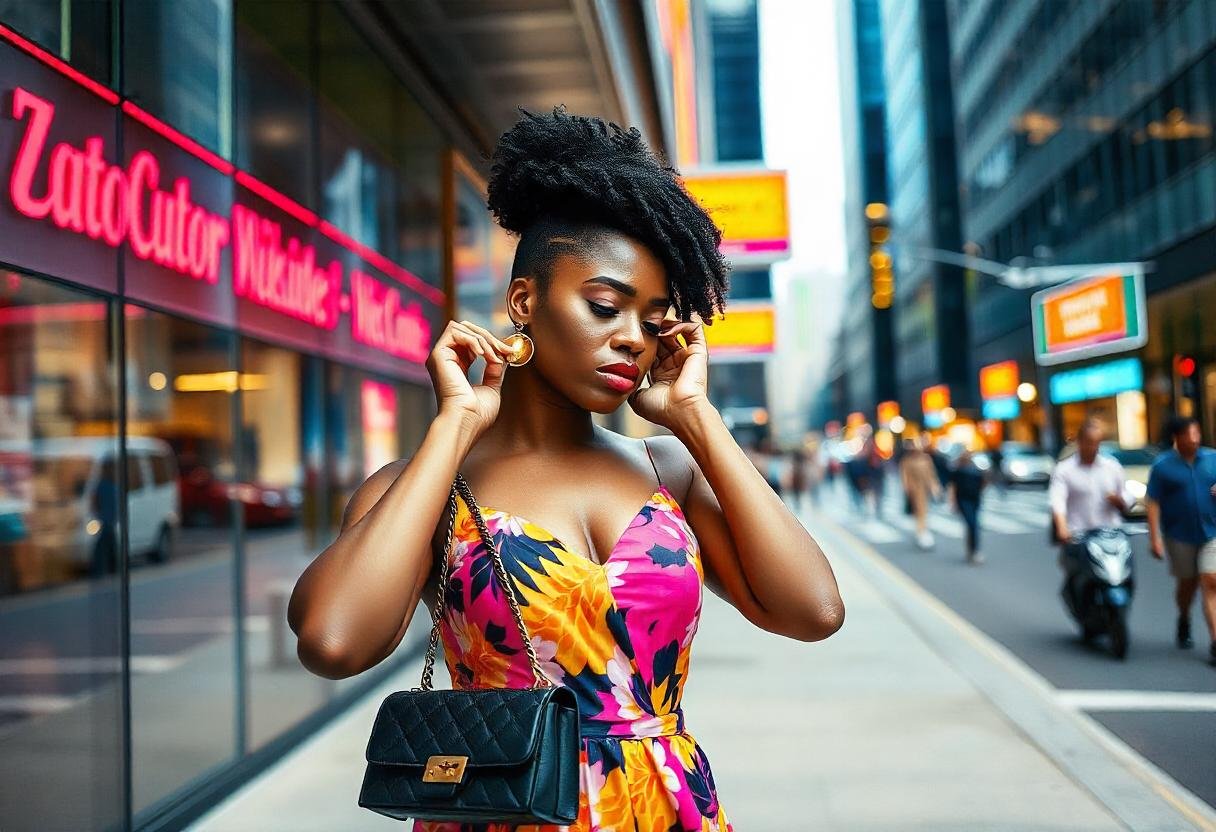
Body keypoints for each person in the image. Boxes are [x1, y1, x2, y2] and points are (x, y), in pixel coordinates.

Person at [287, 108, 845, 832]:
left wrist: (697, 416)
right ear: (525, 301)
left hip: (664, 811)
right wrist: (455, 426)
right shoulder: (419, 486)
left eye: (652, 321)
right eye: (605, 306)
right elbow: (334, 641)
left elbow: (813, 611)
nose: (630, 341)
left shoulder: (668, 466)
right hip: (503, 810)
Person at [1146, 416, 1216, 666]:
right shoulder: (1163, 466)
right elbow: (1152, 502)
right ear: (1177, 437)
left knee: (1211, 582)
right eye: (1189, 434)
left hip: (1212, 533)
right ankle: (1184, 616)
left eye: (1197, 433)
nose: (1195, 439)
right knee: (1188, 585)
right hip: (1179, 536)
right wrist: (1155, 538)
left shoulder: (1212, 459)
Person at [1050, 421, 1134, 594]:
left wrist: (1119, 500)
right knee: (1078, 577)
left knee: (1126, 573)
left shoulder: (1112, 467)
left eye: (1097, 442)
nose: (1093, 447)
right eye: (1089, 442)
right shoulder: (1064, 470)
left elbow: (1126, 495)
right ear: (1079, 442)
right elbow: (1057, 502)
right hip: (1079, 536)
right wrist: (1062, 528)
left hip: (1111, 534)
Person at [900, 436, 941, 549]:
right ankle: (921, 533)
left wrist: (934, 487)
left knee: (923, 511)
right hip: (914, 490)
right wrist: (907, 490)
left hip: (925, 489)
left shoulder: (926, 459)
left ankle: (922, 532)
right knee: (920, 512)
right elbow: (904, 477)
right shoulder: (907, 461)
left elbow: (931, 474)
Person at [951, 449, 987, 564]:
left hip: (974, 500)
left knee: (973, 525)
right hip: (964, 500)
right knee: (973, 525)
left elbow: (983, 482)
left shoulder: (976, 470)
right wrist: (953, 502)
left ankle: (973, 550)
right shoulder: (959, 471)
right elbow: (953, 487)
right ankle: (973, 551)